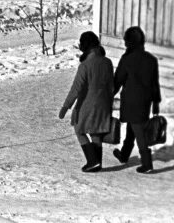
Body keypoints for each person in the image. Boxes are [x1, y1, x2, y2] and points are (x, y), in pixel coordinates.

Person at [59, 31, 114, 173]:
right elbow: (111, 87)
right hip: (103, 103)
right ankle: (97, 163)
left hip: (87, 104)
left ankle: (92, 161)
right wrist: (109, 104)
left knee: (79, 130)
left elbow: (76, 88)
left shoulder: (85, 65)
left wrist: (66, 106)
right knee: (95, 132)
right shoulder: (107, 62)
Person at [112, 25, 162, 174]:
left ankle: (147, 164)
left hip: (131, 102)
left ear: (129, 42)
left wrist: (109, 95)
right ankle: (124, 154)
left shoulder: (127, 59)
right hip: (145, 102)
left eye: (126, 41)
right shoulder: (151, 60)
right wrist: (156, 103)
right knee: (133, 127)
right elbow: (155, 83)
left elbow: (118, 80)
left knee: (138, 130)